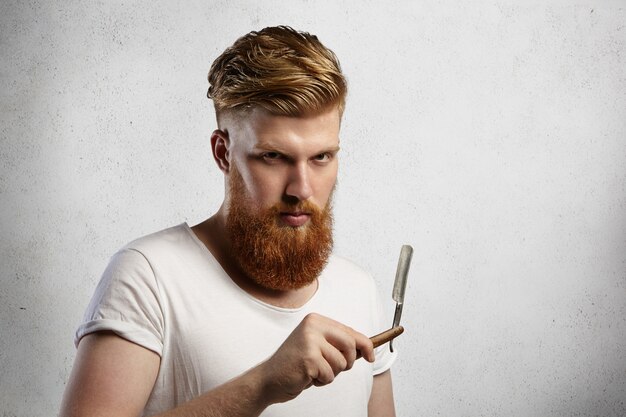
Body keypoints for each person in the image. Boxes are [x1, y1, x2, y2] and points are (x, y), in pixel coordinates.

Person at [60, 26, 397, 417]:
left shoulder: (358, 290)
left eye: (321, 157)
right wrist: (264, 383)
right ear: (223, 153)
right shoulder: (148, 277)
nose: (302, 188)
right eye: (273, 157)